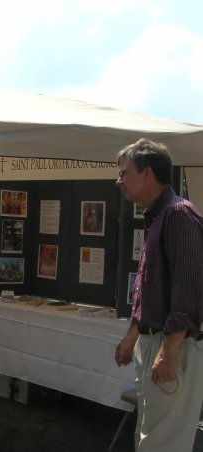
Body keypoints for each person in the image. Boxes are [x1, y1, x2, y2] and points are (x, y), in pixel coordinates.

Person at [114, 138, 203, 451]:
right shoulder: (158, 216)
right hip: (156, 343)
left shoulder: (178, 215)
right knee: (150, 437)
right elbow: (151, 288)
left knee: (162, 444)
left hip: (174, 347)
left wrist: (169, 351)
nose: (119, 180)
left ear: (147, 173)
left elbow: (188, 289)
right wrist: (132, 335)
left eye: (125, 173)